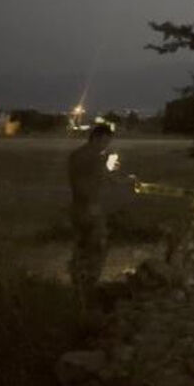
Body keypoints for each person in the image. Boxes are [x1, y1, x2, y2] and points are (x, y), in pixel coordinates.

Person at [67, 123, 119, 308]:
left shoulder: (79, 156)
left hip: (79, 208)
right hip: (89, 209)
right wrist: (91, 204)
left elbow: (101, 179)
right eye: (105, 141)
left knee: (82, 246)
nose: (106, 146)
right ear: (97, 138)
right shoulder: (92, 158)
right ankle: (87, 286)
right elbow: (87, 184)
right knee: (96, 247)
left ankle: (78, 284)